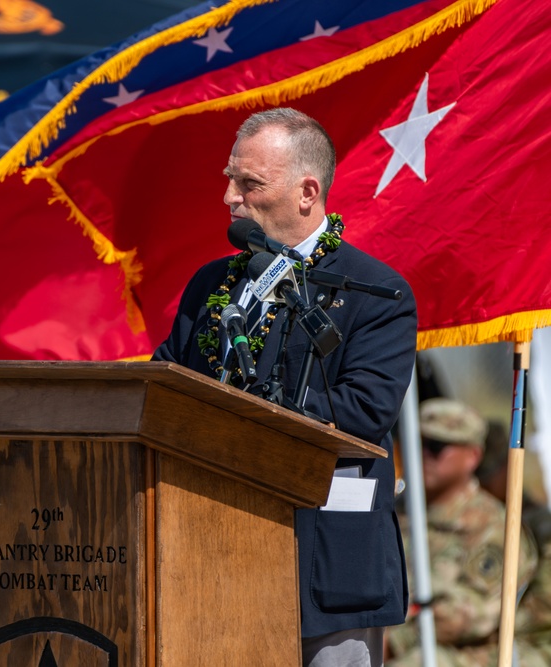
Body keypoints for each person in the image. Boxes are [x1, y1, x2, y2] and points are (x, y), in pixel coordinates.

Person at [153, 107, 418, 665]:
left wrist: (256, 408)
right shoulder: (211, 285)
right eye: (230, 179)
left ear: (307, 192)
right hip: (208, 555)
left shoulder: (373, 291)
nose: (230, 198)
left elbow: (366, 411)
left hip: (325, 566)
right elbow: (165, 390)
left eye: (249, 183)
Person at [386, 398, 538, 665]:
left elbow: (472, 613)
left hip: (459, 655)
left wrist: (395, 641)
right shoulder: (390, 510)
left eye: (436, 446)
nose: (421, 453)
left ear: (473, 456)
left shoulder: (493, 527)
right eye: (414, 441)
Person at [477, 418, 551, 664]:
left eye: (487, 476)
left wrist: (487, 626)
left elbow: (544, 604)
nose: (480, 487)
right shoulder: (477, 518)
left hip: (531, 643)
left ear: (508, 467)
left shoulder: (540, 527)